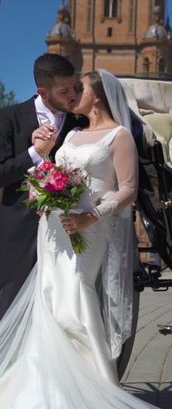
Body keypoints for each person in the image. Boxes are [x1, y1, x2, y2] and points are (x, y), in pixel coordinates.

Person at [0, 69, 155, 408]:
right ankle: (48, 385)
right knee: (50, 298)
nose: (72, 95)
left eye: (79, 89)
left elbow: (128, 190)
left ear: (96, 96)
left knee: (75, 296)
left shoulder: (119, 137)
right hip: (53, 229)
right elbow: (53, 172)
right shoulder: (71, 136)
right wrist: (43, 161)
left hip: (90, 228)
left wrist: (91, 216)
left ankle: (94, 387)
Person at [0, 53, 81, 320]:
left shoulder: (80, 120)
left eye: (75, 87)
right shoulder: (9, 117)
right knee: (11, 301)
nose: (73, 95)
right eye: (64, 91)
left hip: (68, 228)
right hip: (19, 230)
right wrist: (35, 153)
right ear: (43, 92)